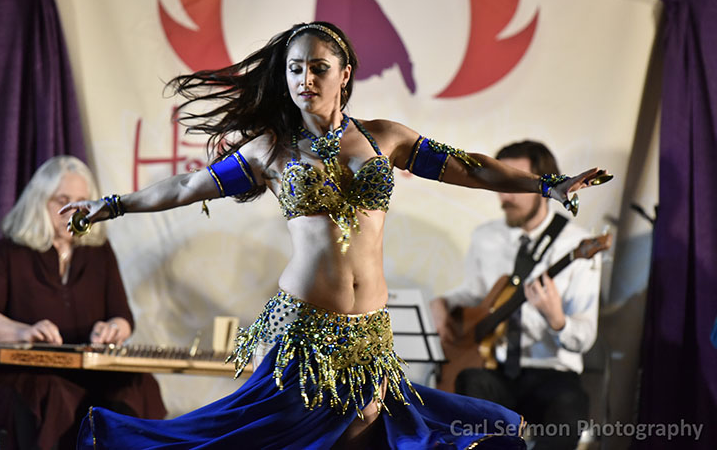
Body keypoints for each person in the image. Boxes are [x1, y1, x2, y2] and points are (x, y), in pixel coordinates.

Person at [63, 22, 608, 449]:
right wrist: (111, 205)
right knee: (295, 433)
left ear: (344, 74)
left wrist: (547, 185)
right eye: (295, 69)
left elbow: (470, 167)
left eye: (318, 68)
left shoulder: (386, 139)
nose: (305, 79)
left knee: (368, 428)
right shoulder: (271, 150)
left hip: (369, 330)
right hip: (305, 326)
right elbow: (187, 186)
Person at [0, 156, 166, 450]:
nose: (73, 212)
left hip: (90, 371)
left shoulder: (99, 251)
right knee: (53, 393)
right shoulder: (10, 251)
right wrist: (24, 332)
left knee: (135, 385)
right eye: (63, 201)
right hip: (25, 374)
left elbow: (122, 317)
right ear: (40, 201)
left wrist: (112, 329)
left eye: (81, 203)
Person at [430, 141, 603, 450]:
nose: (505, 196)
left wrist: (557, 320)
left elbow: (584, 337)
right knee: (468, 383)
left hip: (552, 373)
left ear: (544, 188)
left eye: (516, 185)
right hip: (495, 370)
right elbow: (476, 294)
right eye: (501, 184)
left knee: (570, 406)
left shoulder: (577, 244)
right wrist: (443, 304)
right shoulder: (486, 237)